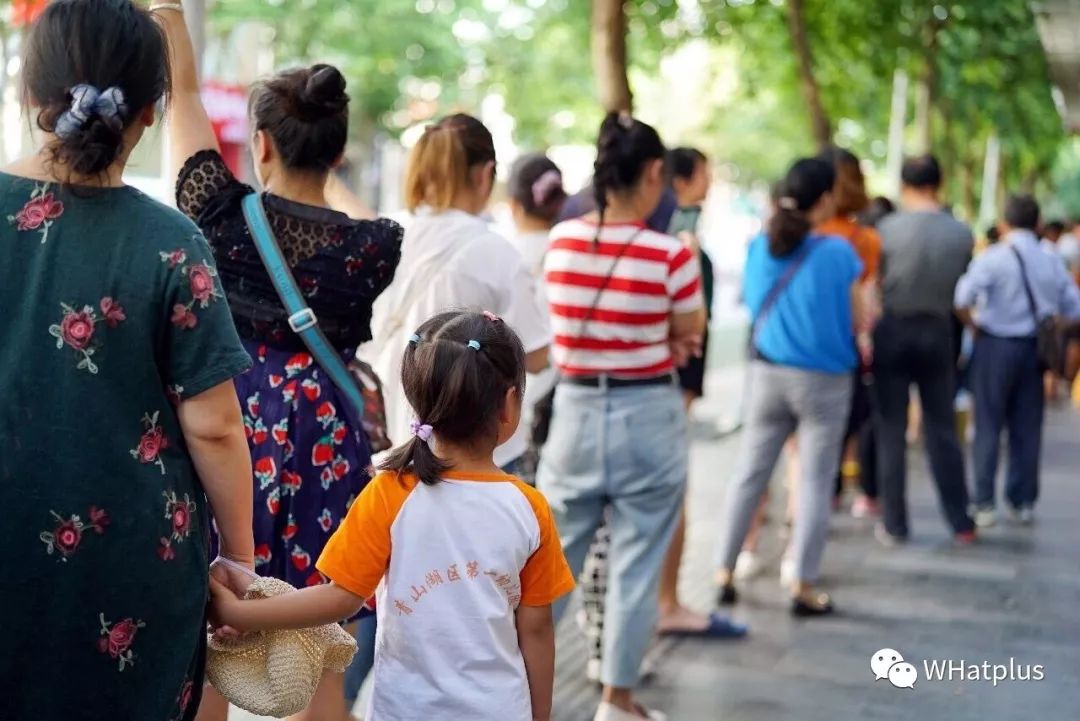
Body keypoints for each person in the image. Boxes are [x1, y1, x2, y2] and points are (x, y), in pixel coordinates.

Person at [0, 1, 254, 718]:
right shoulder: (171, 243)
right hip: (129, 574)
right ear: (149, 112)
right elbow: (214, 426)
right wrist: (239, 556)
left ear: (29, 96)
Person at [157, 6, 403, 720]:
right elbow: (359, 216)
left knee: (208, 645)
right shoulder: (374, 247)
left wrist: (175, 32)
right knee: (316, 642)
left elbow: (190, 107)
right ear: (337, 150)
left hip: (227, 432)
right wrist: (327, 171)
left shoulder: (221, 216)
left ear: (259, 143)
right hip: (325, 442)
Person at [209, 310, 575, 721]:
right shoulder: (529, 508)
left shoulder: (390, 492)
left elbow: (338, 598)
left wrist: (239, 612)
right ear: (509, 405)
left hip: (405, 711)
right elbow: (537, 629)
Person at [540, 112, 705, 721]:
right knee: (637, 564)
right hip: (648, 414)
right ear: (656, 172)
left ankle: (506, 683)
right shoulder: (672, 256)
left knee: (555, 560)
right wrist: (659, 335)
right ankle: (617, 701)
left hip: (578, 412)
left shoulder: (561, 243)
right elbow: (691, 333)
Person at [713, 158, 863, 617]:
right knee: (815, 480)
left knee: (749, 474)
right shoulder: (840, 253)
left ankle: (722, 572)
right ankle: (802, 582)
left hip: (768, 375)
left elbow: (754, 304)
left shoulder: (761, 246)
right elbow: (860, 318)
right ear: (826, 199)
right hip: (825, 382)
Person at [364, 113, 551, 473]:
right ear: (485, 174)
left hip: (384, 443)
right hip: (470, 454)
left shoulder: (380, 235)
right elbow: (537, 355)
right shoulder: (497, 253)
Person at [955, 195, 1080, 527]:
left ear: (1004, 222)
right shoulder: (1051, 259)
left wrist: (974, 326)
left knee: (988, 425)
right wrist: (1050, 324)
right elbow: (1074, 307)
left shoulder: (992, 257)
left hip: (994, 345)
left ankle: (983, 502)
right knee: (1027, 427)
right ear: (1037, 223)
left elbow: (962, 298)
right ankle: (1022, 499)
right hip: (1033, 351)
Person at [872, 155, 975, 546]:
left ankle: (894, 524)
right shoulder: (961, 233)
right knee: (941, 428)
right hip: (938, 329)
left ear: (903, 184)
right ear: (940, 182)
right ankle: (960, 521)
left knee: (892, 428)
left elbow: (874, 284)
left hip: (893, 328)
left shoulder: (886, 229)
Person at [815, 148, 881, 519]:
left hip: (800, 350)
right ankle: (854, 491)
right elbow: (866, 304)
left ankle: (821, 497)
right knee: (851, 422)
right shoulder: (865, 240)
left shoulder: (800, 235)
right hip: (844, 348)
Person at [506, 152, 566, 482]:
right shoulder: (572, 251)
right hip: (566, 399)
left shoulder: (501, 253)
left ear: (513, 203)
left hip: (517, 406)